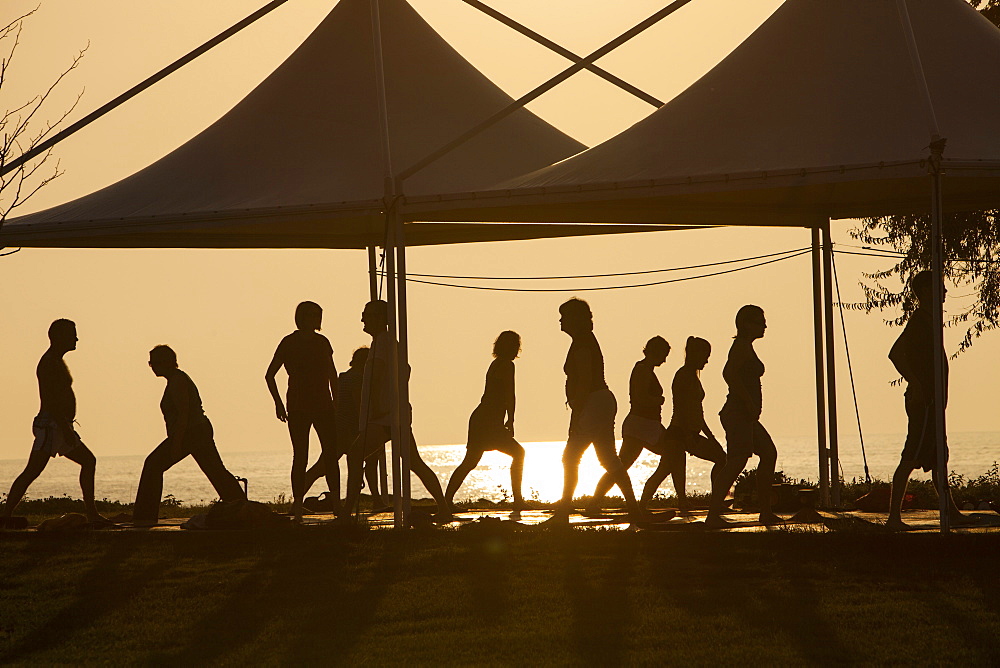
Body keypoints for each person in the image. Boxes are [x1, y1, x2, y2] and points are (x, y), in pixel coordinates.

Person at [341, 300, 448, 518]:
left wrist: (378, 406)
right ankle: (444, 507)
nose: (363, 318)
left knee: (354, 455)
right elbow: (405, 370)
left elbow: (379, 374)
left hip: (384, 417)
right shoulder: (387, 342)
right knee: (414, 462)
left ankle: (346, 513)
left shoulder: (383, 342)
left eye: (367, 314)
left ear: (380, 318)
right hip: (393, 414)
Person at [1, 319, 108, 526]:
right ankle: (6, 515)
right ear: (59, 337)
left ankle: (92, 514)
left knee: (88, 461)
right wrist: (65, 428)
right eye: (72, 334)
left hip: (60, 425)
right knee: (32, 470)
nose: (76, 338)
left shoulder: (56, 360)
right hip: (52, 425)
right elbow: (51, 399)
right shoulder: (49, 362)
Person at [548, 298, 643, 525]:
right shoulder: (584, 341)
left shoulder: (582, 343)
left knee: (570, 457)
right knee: (609, 459)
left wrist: (577, 413)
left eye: (564, 316)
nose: (560, 321)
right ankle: (634, 509)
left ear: (576, 319)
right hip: (601, 402)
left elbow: (584, 380)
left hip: (593, 403)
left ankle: (562, 513)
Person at [133, 345, 246, 526]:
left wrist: (176, 443)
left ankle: (144, 517)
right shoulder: (174, 380)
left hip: (193, 432)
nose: (152, 366)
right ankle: (240, 506)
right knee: (215, 470)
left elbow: (183, 413)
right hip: (193, 432)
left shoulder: (178, 380)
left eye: (155, 362)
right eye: (150, 363)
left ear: (168, 362)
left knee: (153, 464)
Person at [886, 270, 965, 531]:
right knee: (911, 456)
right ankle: (893, 518)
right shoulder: (919, 321)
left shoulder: (931, 321)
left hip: (935, 403)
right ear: (927, 292)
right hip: (925, 403)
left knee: (938, 456)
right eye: (939, 287)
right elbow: (895, 353)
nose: (944, 291)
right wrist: (917, 384)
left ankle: (950, 511)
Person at [586, 336, 681, 514]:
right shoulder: (643, 370)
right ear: (655, 351)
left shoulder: (646, 369)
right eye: (664, 354)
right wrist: (658, 400)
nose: (665, 359)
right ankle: (644, 502)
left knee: (620, 466)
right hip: (641, 425)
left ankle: (594, 503)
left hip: (645, 425)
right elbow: (640, 397)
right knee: (673, 454)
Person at [265, 301, 342, 520]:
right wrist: (278, 403)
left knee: (330, 455)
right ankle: (298, 506)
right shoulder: (289, 343)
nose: (315, 320)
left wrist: (337, 402)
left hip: (323, 405)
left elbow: (332, 374)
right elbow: (269, 375)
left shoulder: (322, 342)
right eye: (312, 315)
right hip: (298, 406)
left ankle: (336, 504)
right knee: (301, 456)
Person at [707, 305, 781, 527]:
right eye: (760, 321)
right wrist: (748, 401)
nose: (764, 326)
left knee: (768, 454)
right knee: (737, 461)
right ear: (746, 324)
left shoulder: (747, 347)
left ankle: (765, 512)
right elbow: (728, 373)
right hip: (737, 414)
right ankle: (712, 516)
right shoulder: (740, 346)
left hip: (747, 417)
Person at [445, 331, 526, 515]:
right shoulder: (506, 365)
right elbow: (509, 395)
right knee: (517, 453)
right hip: (487, 421)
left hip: (484, 419)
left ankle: (447, 500)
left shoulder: (497, 364)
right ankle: (518, 501)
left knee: (471, 461)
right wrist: (511, 420)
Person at [302, 347, 390, 511]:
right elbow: (359, 406)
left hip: (339, 428)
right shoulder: (358, 379)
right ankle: (376, 501)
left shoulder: (343, 377)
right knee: (326, 466)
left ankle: (377, 501)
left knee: (325, 466)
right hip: (349, 430)